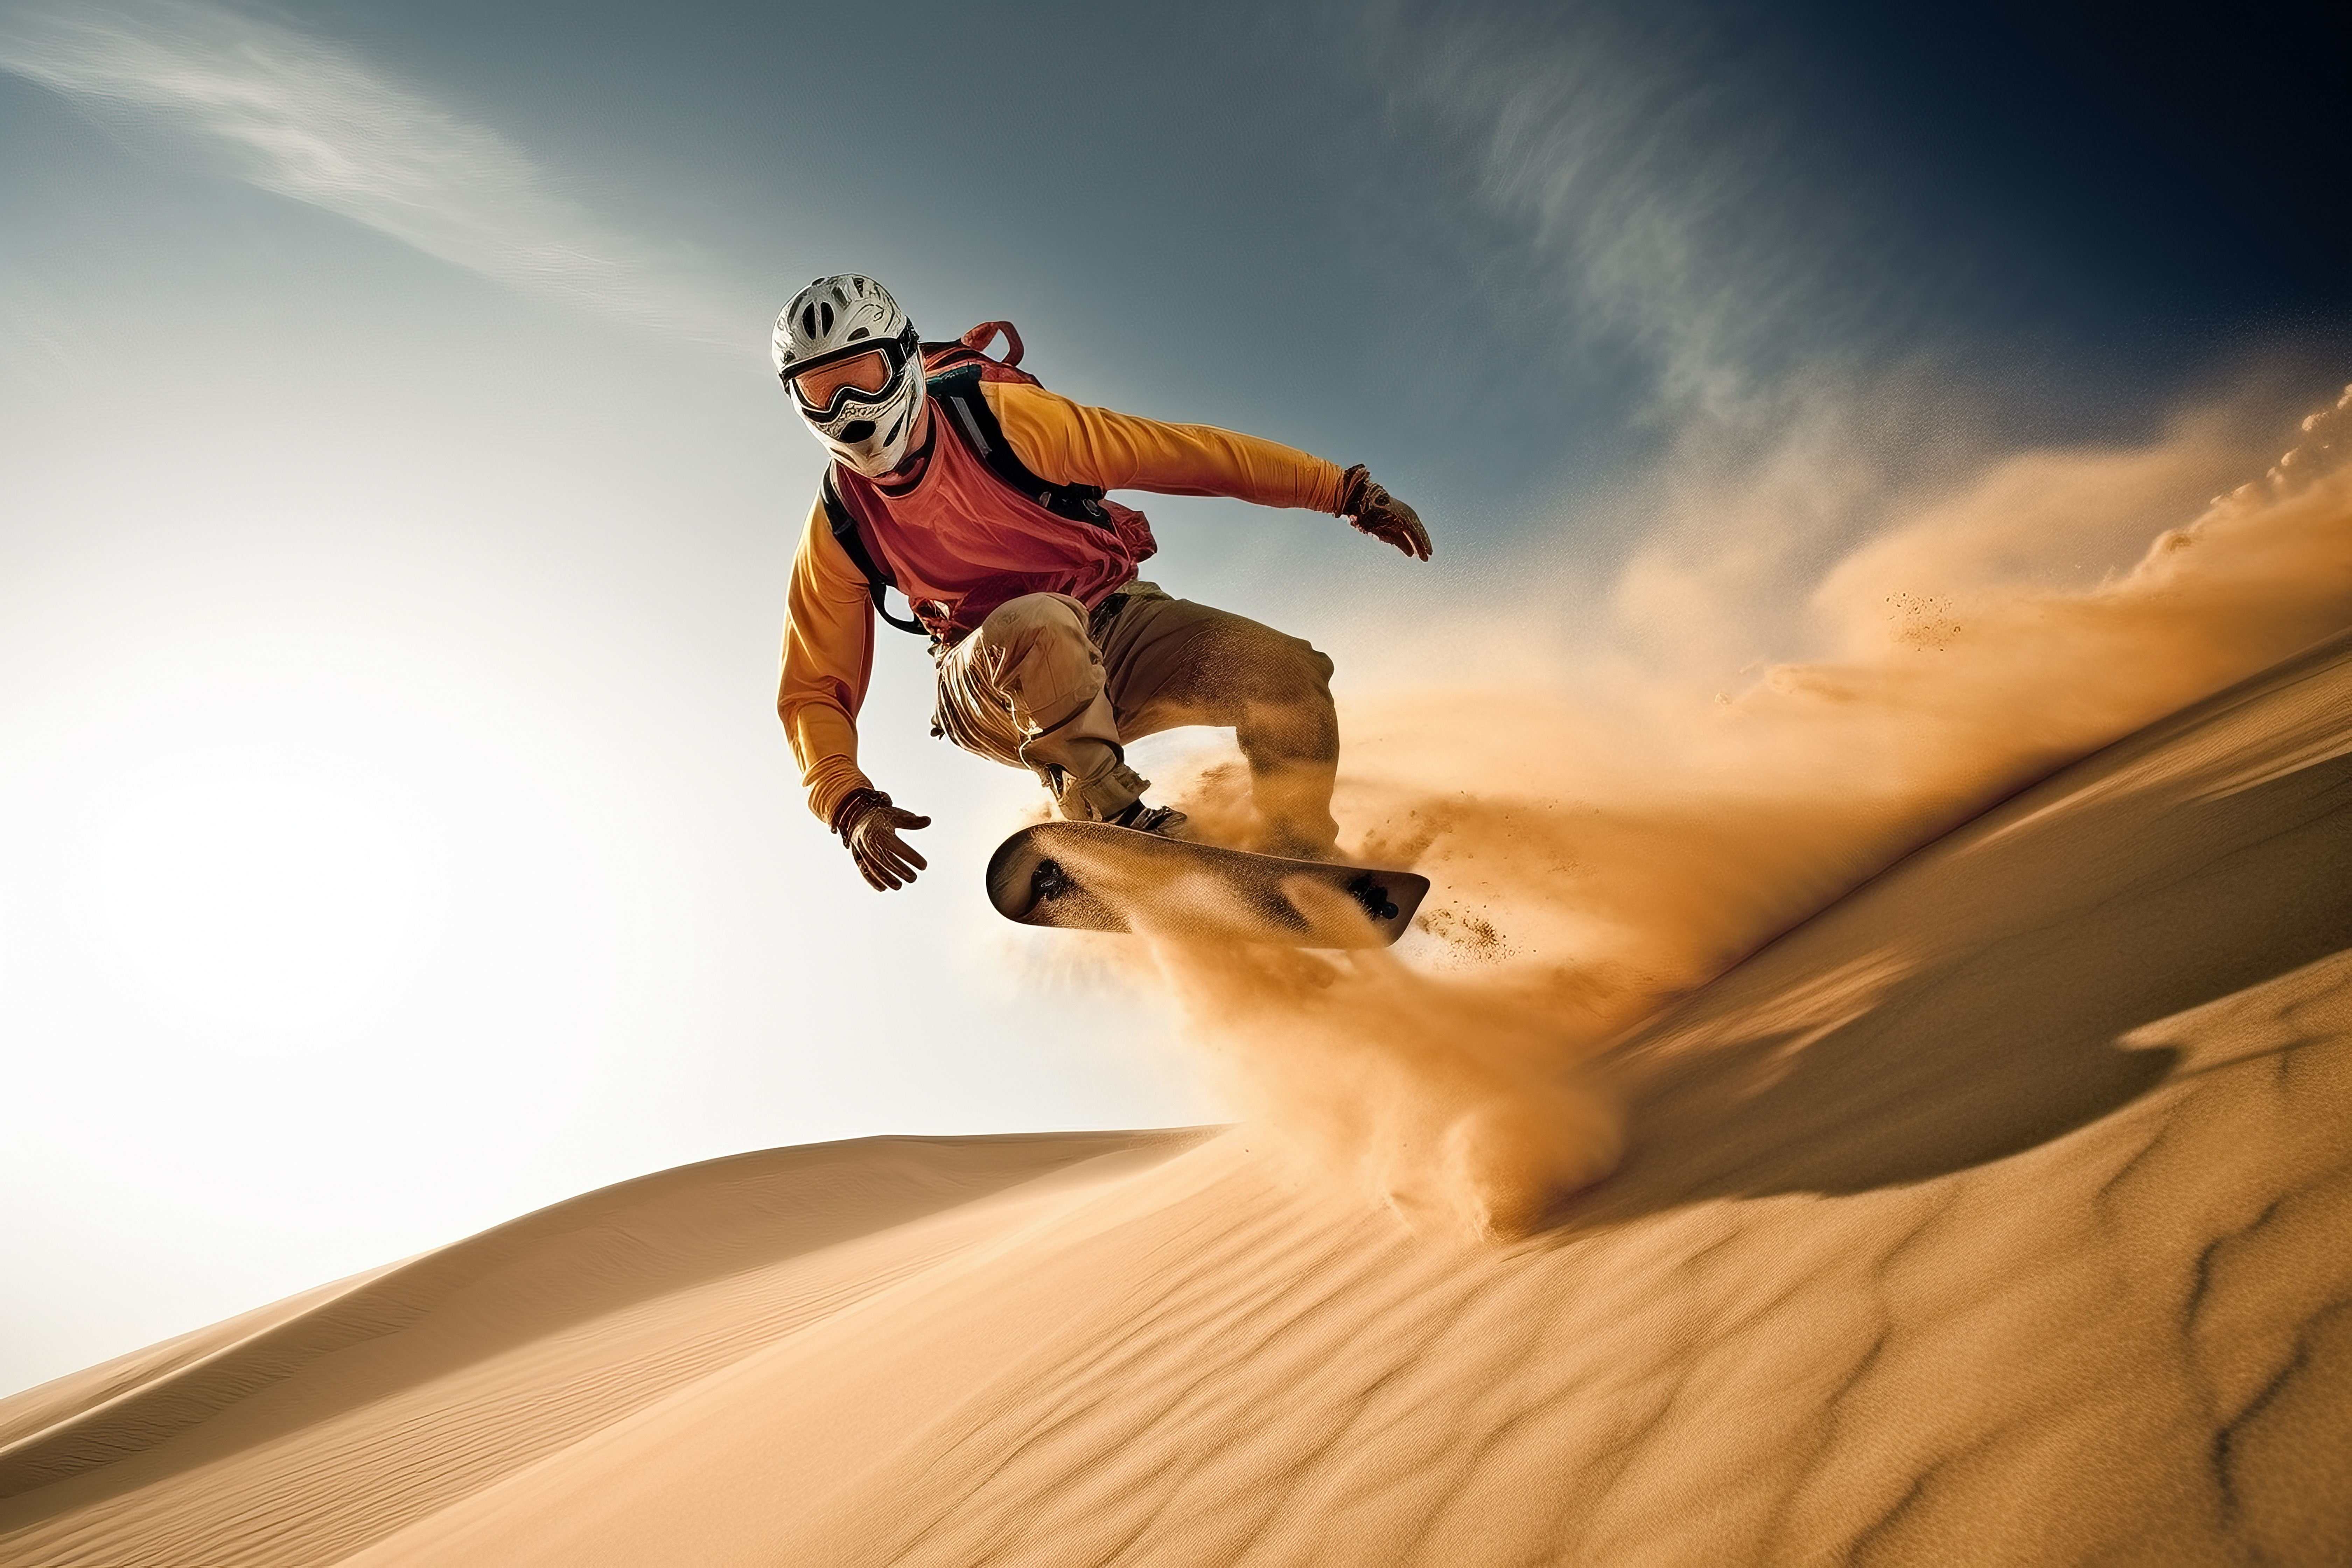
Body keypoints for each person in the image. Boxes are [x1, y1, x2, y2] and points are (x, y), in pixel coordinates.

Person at [772, 273, 1431, 891]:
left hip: (1111, 624)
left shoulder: (1007, 422)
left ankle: (1301, 861)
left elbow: (1188, 453)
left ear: (909, 360)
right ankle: (1112, 825)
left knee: (1288, 675)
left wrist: (1343, 490)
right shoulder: (840, 522)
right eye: (823, 394)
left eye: (863, 377)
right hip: (988, 683)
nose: (851, 410)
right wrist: (850, 804)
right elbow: (812, 687)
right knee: (1038, 620)